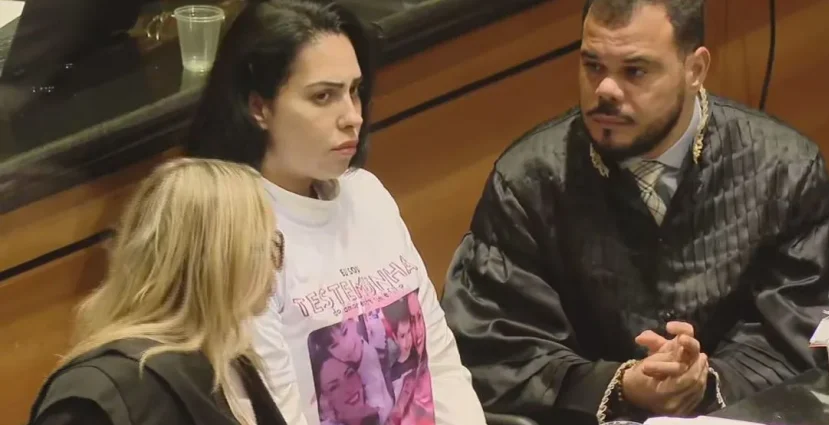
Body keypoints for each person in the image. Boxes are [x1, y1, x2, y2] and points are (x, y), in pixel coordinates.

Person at [440, 0, 829, 424]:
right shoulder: (528, 183)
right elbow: (492, 349)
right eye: (593, 66)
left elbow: (821, 328)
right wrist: (619, 384)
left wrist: (707, 380)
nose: (605, 90)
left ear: (695, 69)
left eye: (635, 71)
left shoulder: (783, 170)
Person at [184, 1, 487, 425]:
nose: (353, 117)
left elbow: (440, 363)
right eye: (323, 96)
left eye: (355, 90)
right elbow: (273, 414)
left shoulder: (367, 194)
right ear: (258, 107)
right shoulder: (235, 230)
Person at [27, 158, 286, 425]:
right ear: (219, 261)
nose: (276, 265)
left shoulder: (231, 361)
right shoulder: (101, 394)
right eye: (267, 246)